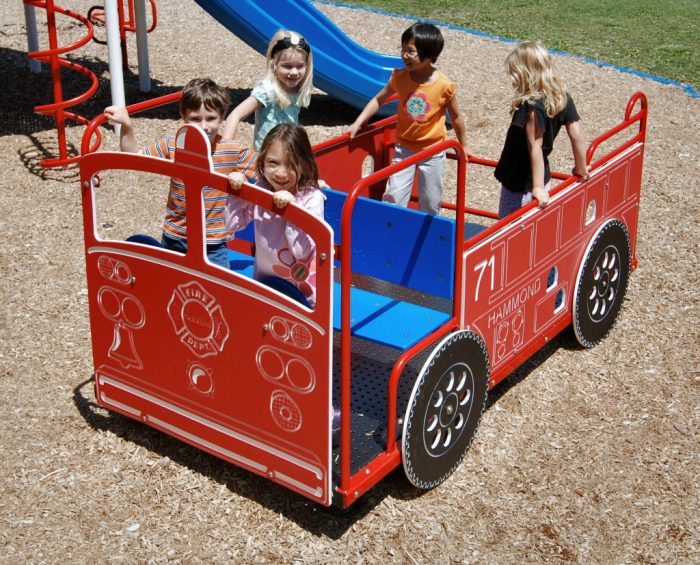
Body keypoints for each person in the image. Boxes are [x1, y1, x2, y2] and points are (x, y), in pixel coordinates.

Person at [104, 78, 258, 268]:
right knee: (169, 286)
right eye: (195, 119)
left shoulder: (232, 151)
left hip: (213, 242)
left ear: (222, 116)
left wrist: (241, 177)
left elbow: (267, 174)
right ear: (183, 116)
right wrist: (127, 126)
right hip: (176, 236)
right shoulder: (174, 145)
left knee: (215, 291)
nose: (203, 126)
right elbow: (135, 158)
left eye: (210, 118)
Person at [347, 22, 468, 216]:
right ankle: (391, 229)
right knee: (393, 195)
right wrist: (358, 122)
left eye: (411, 51)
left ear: (429, 55)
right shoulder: (400, 77)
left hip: (433, 150)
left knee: (431, 201)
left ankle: (426, 233)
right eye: (403, 49)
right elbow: (379, 99)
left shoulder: (444, 85)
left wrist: (463, 145)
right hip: (404, 148)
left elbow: (456, 117)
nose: (405, 55)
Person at [225, 123, 324, 308]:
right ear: (262, 161)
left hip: (302, 294)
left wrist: (292, 211)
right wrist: (237, 191)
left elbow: (301, 252)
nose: (281, 173)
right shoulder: (262, 188)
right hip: (265, 285)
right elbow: (232, 224)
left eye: (291, 164)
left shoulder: (312, 198)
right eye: (273, 163)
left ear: (304, 164)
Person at [494, 41, 590, 219]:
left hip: (520, 180)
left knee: (508, 224)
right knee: (535, 223)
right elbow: (576, 135)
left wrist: (536, 188)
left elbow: (535, 147)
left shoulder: (530, 107)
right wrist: (581, 167)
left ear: (527, 74)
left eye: (515, 74)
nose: (512, 80)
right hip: (542, 174)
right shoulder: (563, 98)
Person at [222, 29, 314, 151]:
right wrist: (224, 149)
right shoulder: (267, 91)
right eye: (287, 66)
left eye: (300, 66)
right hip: (265, 158)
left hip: (287, 154)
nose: (294, 72)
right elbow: (235, 115)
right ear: (274, 64)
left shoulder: (298, 89)